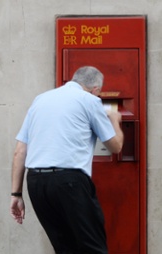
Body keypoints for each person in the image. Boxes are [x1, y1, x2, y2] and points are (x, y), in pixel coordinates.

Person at [10, 66, 124, 254]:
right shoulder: (90, 100)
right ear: (95, 89)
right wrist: (114, 120)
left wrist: (16, 194)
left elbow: (20, 151)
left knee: (64, 248)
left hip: (36, 183)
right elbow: (115, 147)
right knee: (93, 247)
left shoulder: (40, 100)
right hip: (69, 181)